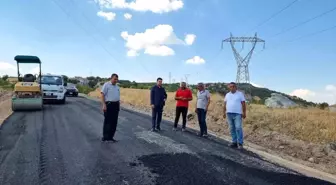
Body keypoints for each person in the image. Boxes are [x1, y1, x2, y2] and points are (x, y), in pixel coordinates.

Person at [223, 82, 246, 149]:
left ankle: (240, 143)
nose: (232, 88)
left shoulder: (240, 94)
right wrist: (223, 112)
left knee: (238, 127)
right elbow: (225, 104)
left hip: (237, 114)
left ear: (236, 87)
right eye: (231, 86)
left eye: (233, 86)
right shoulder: (227, 94)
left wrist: (244, 113)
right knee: (231, 128)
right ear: (229, 87)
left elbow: (243, 104)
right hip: (229, 113)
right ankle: (234, 142)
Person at [100, 73, 120, 142]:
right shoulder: (106, 85)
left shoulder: (117, 87)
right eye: (115, 79)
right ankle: (105, 137)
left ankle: (111, 137)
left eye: (117, 79)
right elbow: (102, 95)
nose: (116, 80)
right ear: (111, 78)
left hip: (116, 105)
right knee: (108, 121)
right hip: (109, 105)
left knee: (114, 122)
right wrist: (104, 104)